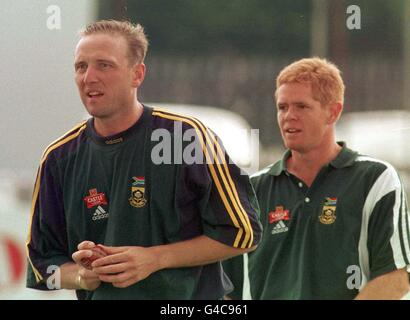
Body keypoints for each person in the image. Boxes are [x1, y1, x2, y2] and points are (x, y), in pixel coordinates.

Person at [26, 20, 262, 300]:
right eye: (81, 66)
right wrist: (80, 275)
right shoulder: (59, 157)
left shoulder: (184, 138)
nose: (89, 77)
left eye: (104, 65)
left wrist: (155, 258)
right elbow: (42, 267)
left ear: (137, 74)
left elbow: (243, 233)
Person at [224, 57, 410, 300]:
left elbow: (396, 278)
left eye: (301, 106)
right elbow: (226, 290)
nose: (289, 116)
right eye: (282, 107)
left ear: (333, 112)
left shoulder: (376, 180)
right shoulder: (250, 191)